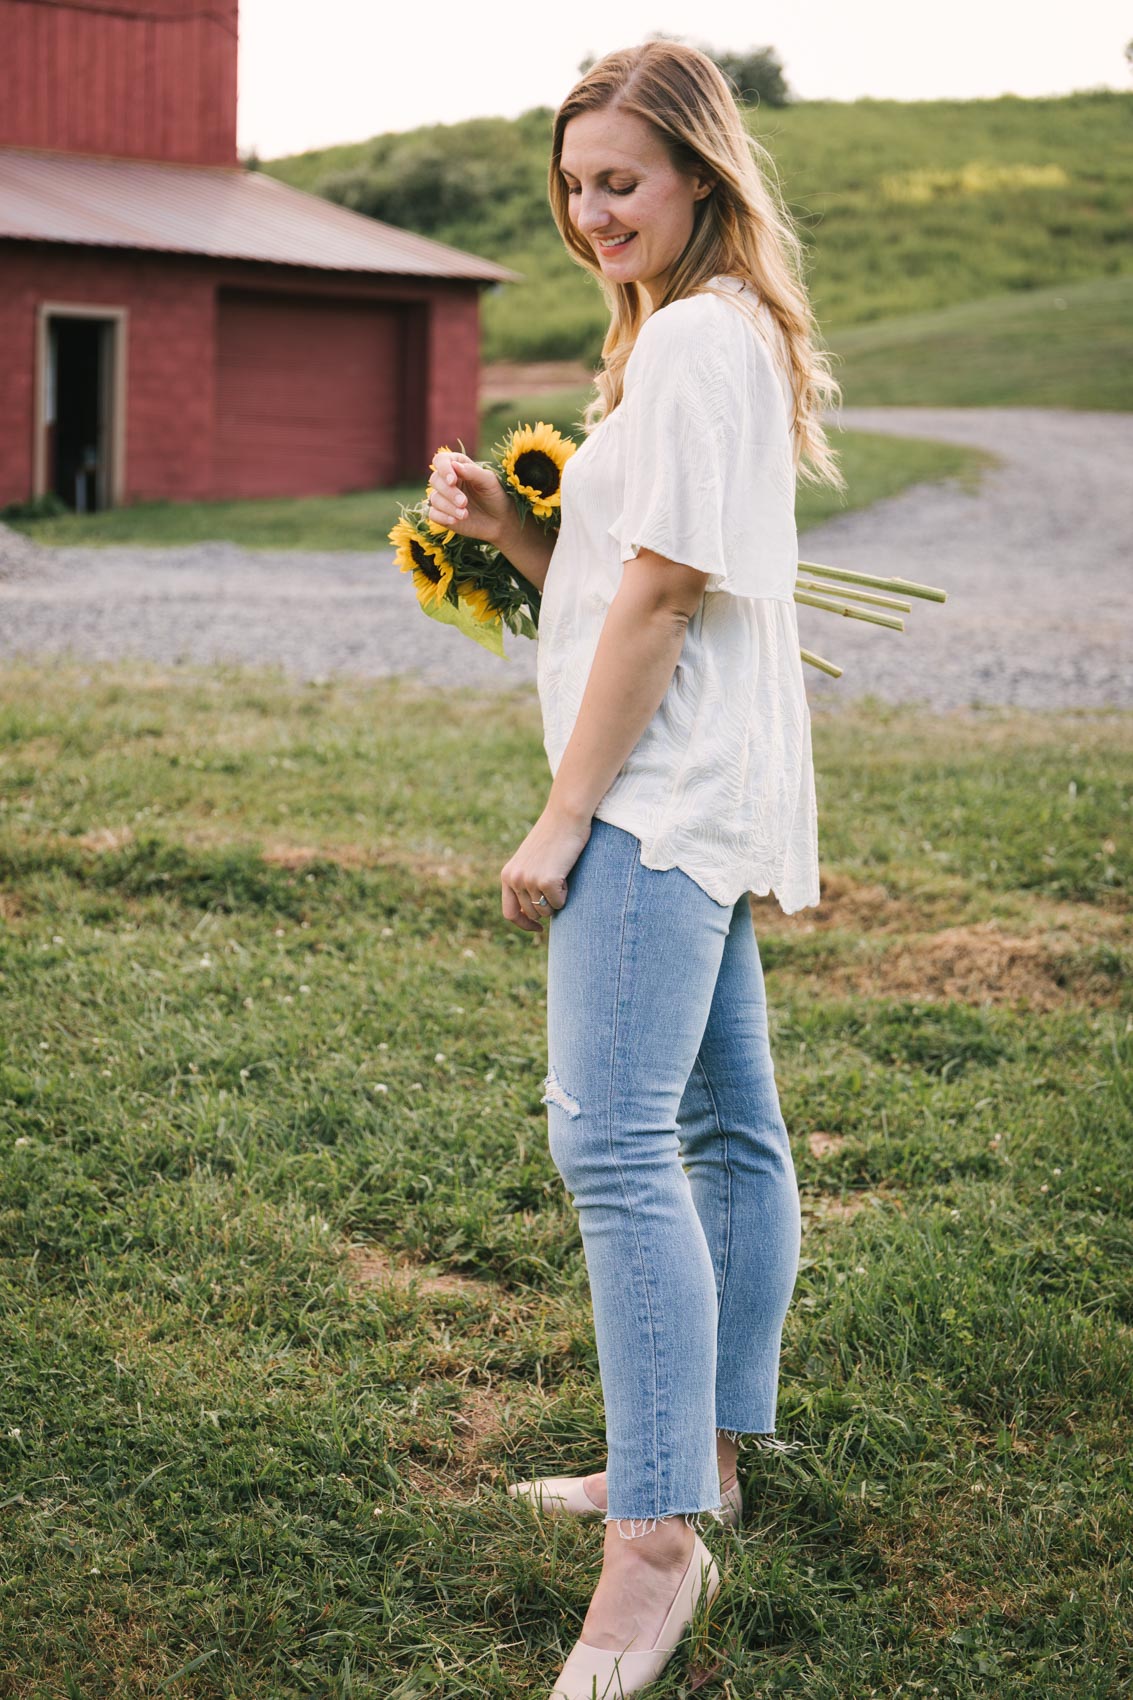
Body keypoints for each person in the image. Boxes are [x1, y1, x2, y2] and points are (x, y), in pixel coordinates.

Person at [426, 38, 844, 1700]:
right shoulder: (711, 338)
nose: (594, 212)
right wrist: (517, 541)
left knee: (614, 1150)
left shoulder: (688, 345)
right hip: (709, 790)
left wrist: (562, 815)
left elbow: (664, 604)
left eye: (622, 181)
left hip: (655, 800)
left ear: (698, 175)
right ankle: (707, 1455)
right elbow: (629, 568)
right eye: (575, 187)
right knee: (724, 1129)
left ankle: (657, 1542)